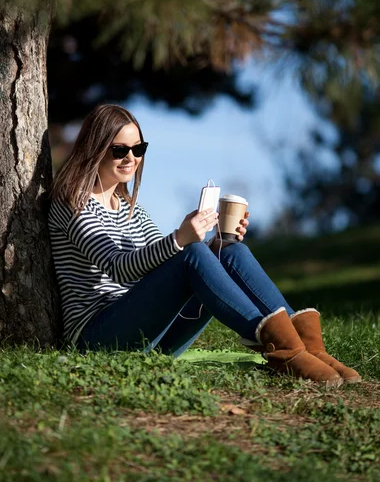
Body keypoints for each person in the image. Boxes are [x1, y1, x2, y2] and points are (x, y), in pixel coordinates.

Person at [48, 104, 361, 386]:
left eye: (138, 148)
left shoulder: (133, 209)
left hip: (151, 339)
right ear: (95, 148)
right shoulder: (73, 202)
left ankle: (309, 348)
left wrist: (218, 244)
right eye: (119, 150)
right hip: (98, 339)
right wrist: (181, 239)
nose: (131, 158)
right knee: (192, 253)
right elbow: (119, 268)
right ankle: (285, 351)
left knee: (229, 251)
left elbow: (162, 267)